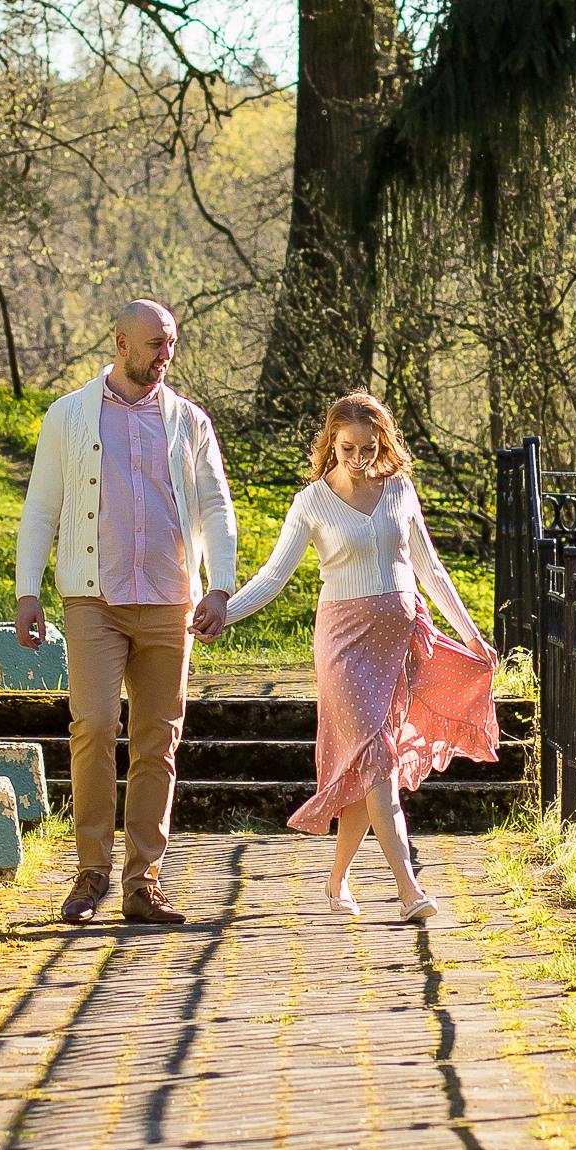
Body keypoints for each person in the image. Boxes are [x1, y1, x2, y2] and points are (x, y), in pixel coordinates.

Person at [223, 390, 497, 921]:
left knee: (365, 766)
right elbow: (275, 576)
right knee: (377, 759)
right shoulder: (312, 502)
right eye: (347, 447)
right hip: (344, 646)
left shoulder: (400, 490)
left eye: (368, 447)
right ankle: (408, 889)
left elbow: (431, 570)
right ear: (331, 443)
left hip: (398, 645)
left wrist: (469, 633)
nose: (358, 457)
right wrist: (224, 613)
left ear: (382, 443)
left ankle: (336, 881)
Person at [14, 298, 237, 927]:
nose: (166, 355)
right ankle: (90, 874)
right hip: (94, 599)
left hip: (170, 598)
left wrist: (219, 586)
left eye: (171, 343)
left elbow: (217, 508)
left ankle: (145, 882)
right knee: (91, 725)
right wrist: (27, 589)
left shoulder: (190, 422)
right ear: (120, 343)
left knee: (157, 740)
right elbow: (41, 508)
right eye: (155, 344)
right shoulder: (70, 417)